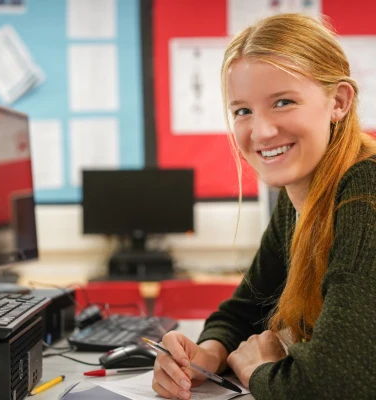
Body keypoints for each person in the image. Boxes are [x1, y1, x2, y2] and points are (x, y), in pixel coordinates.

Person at [152, 13, 376, 400]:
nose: (261, 131)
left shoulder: (365, 190)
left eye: (283, 102)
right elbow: (246, 308)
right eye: (243, 111)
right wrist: (208, 354)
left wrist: (258, 370)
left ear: (338, 101)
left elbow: (333, 386)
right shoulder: (300, 195)